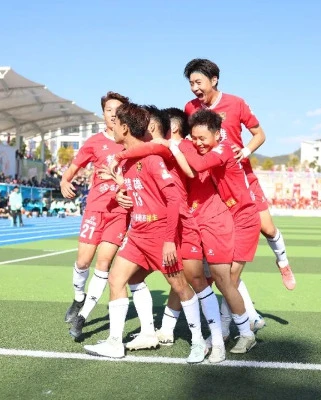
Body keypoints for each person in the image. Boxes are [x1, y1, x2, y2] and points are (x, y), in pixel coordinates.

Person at [84, 103, 206, 363]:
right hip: (137, 233)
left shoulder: (151, 159)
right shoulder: (127, 161)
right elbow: (139, 193)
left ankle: (198, 342)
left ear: (125, 128)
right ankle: (116, 342)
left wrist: (169, 240)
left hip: (159, 234)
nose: (111, 127)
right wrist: (121, 193)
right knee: (117, 279)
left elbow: (173, 199)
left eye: (115, 123)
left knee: (180, 287)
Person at [108, 106, 226, 362]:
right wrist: (121, 190)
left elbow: (159, 152)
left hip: (180, 226)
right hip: (155, 228)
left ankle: (214, 341)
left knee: (194, 283)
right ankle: (150, 332)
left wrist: (118, 156)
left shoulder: (170, 148)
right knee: (133, 278)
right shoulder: (144, 155)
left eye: (146, 125)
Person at [183, 58, 296, 291]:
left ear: (214, 80)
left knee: (267, 228)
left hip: (241, 177)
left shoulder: (236, 103)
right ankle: (227, 294)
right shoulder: (190, 108)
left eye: (198, 82)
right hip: (211, 181)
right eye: (191, 83)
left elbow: (259, 134)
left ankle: (283, 262)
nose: (194, 88)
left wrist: (245, 151)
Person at [170, 109, 261, 353]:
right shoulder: (212, 150)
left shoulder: (224, 149)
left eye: (202, 138)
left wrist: (179, 144)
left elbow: (198, 165)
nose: (198, 143)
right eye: (194, 138)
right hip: (231, 216)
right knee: (225, 281)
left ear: (218, 134)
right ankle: (229, 329)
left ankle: (244, 332)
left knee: (228, 281)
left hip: (244, 219)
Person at [60, 92, 130, 339]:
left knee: (103, 263)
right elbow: (73, 168)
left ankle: (83, 316)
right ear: (103, 114)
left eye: (118, 110)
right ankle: (78, 298)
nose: (113, 114)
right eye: (109, 110)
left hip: (119, 212)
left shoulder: (131, 141)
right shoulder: (94, 142)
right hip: (95, 209)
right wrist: (64, 181)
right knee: (83, 262)